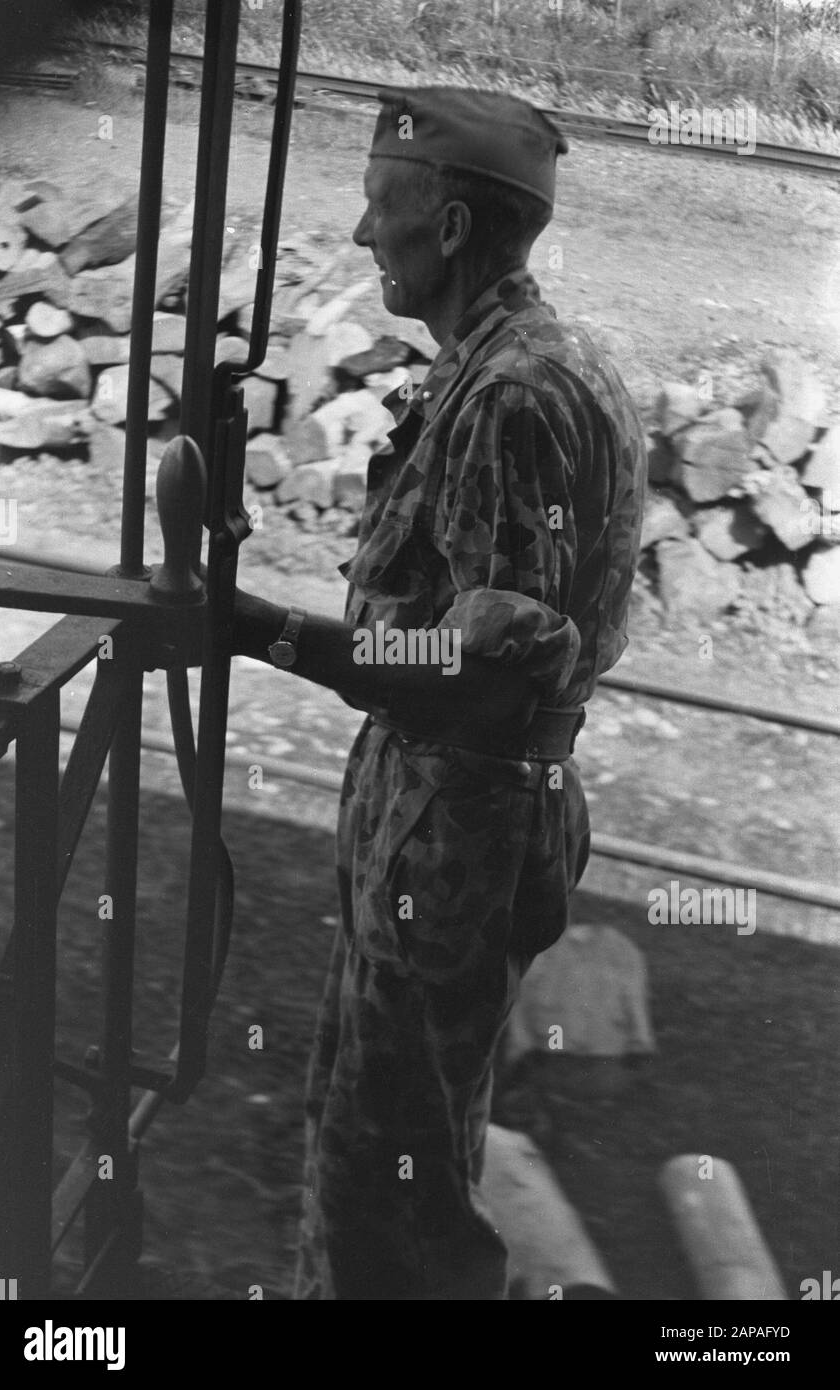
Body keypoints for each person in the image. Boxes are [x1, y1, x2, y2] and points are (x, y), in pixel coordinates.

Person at [230, 86, 647, 1300]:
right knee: (406, 1139)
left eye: (378, 207)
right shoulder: (530, 364)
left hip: (454, 824)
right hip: (456, 812)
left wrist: (271, 633)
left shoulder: (509, 397)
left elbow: (473, 670)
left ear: (451, 227)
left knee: (386, 1186)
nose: (361, 237)